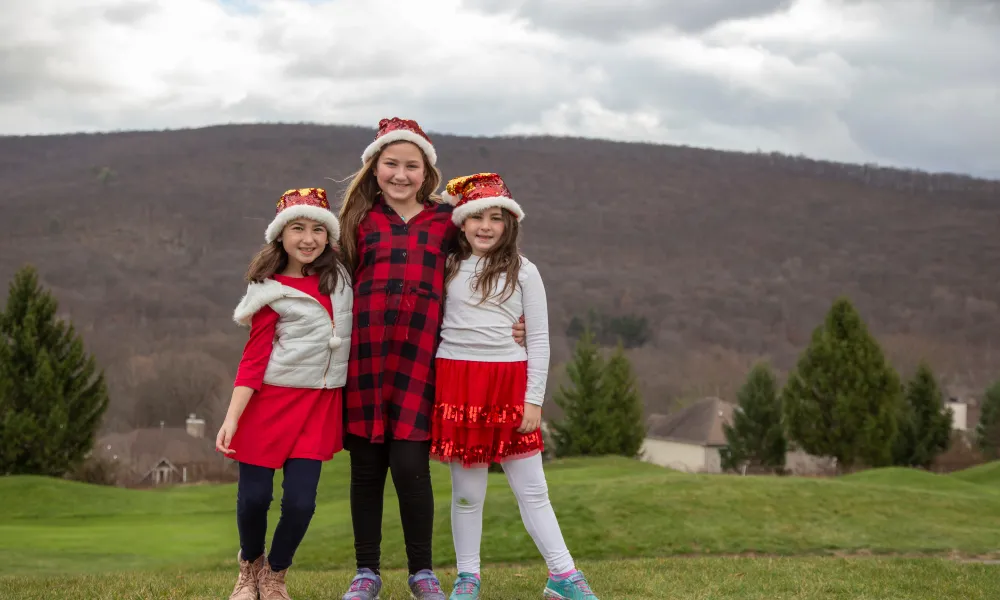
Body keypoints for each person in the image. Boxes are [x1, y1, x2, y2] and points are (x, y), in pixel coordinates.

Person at [337, 118, 525, 600]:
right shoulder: (356, 224)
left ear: (427, 172)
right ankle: (366, 572)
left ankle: (422, 571)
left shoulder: (446, 222)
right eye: (391, 164)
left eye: (411, 166)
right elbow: (329, 287)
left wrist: (515, 320)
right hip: (365, 363)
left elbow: (483, 269)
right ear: (374, 167)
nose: (401, 174)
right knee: (366, 471)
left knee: (409, 469)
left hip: (420, 364)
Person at [431, 173, 600, 600]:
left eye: (496, 218)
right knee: (467, 493)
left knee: (533, 489)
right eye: (476, 218)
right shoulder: (446, 265)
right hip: (458, 384)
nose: (485, 226)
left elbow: (539, 338)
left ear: (510, 224)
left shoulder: (524, 271)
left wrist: (534, 399)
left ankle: (563, 575)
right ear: (461, 222)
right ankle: (467, 577)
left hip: (509, 385)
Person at [217, 187, 352, 600]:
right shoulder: (269, 292)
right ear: (280, 235)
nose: (308, 238)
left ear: (330, 236)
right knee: (255, 498)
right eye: (297, 228)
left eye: (317, 229)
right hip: (269, 405)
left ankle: (275, 574)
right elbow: (253, 360)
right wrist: (232, 417)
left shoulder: (344, 280)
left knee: (300, 503)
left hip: (319, 405)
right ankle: (249, 568)